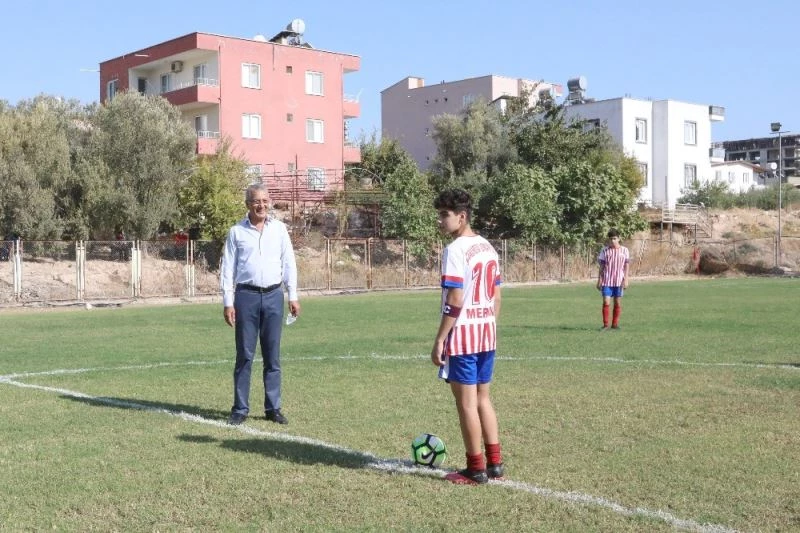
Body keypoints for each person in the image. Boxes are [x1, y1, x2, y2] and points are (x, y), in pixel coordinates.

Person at [430, 189, 504, 485]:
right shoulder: (487, 247)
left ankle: (475, 468)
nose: (440, 221)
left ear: (462, 217)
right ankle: (495, 463)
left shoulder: (456, 249)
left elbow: (456, 298)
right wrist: (488, 321)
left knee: (466, 404)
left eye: (444, 215)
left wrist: (440, 339)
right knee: (483, 399)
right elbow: (497, 295)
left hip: (462, 336)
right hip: (487, 332)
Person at [220, 184, 300, 425]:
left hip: (274, 296)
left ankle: (273, 408)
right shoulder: (236, 232)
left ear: (270, 202)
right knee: (244, 355)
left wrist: (293, 295)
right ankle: (240, 408)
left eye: (265, 200)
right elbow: (227, 269)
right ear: (248, 204)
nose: (261, 205)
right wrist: (228, 301)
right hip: (246, 297)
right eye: (256, 201)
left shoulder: (280, 230)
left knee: (272, 356)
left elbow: (289, 263)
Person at [596, 228, 630, 330]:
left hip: (619, 281)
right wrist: (599, 280)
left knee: (617, 302)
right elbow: (601, 267)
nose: (613, 241)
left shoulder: (625, 250)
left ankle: (614, 325)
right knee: (606, 302)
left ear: (619, 238)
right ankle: (606, 325)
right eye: (611, 239)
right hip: (607, 280)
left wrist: (626, 279)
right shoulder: (604, 250)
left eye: (615, 238)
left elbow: (626, 266)